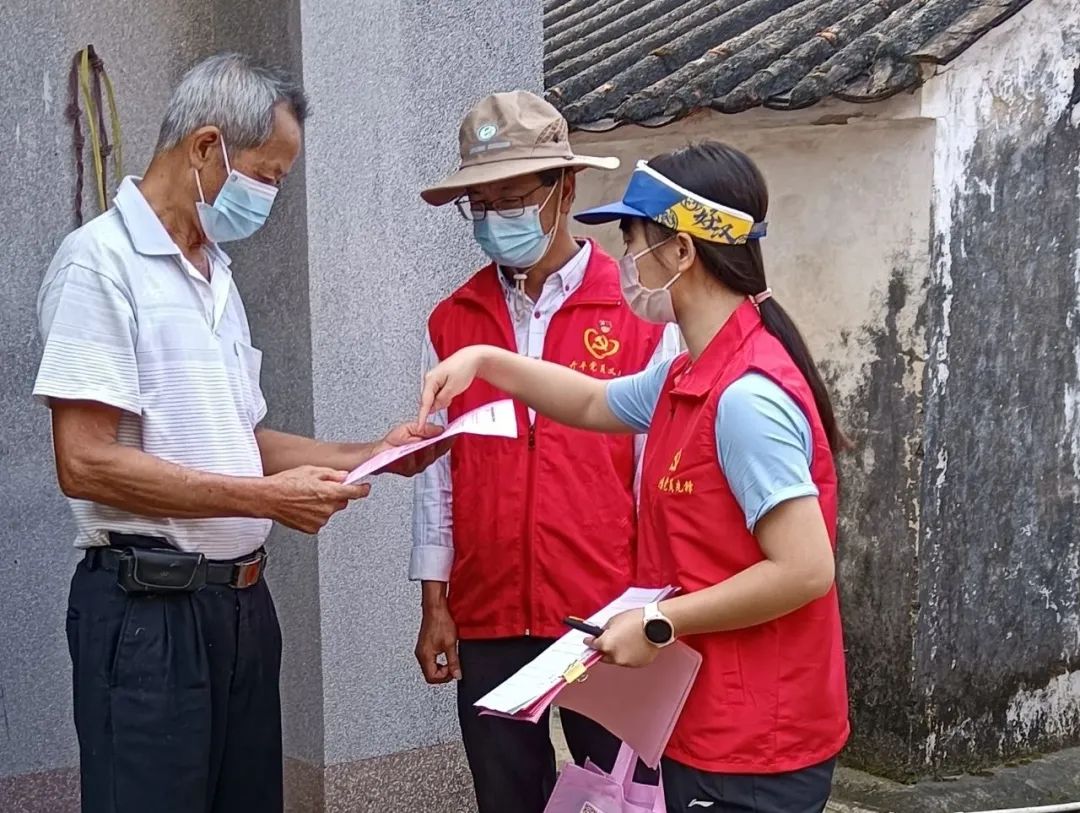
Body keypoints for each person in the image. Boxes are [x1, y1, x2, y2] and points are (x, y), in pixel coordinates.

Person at [33, 53, 448, 813]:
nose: (272, 195)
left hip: (241, 610)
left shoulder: (216, 272)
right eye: (268, 174)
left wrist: (375, 453)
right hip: (147, 615)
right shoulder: (100, 264)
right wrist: (263, 497)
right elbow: (84, 461)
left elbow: (241, 437)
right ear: (205, 147)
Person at [417, 142, 850, 813]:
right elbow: (592, 401)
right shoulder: (686, 375)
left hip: (755, 738)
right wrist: (485, 359)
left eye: (633, 239)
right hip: (707, 719)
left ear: (682, 251)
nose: (626, 260)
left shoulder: (744, 398)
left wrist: (655, 620)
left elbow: (803, 569)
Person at [411, 90, 681, 812]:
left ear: (565, 190)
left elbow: (660, 474)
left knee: (620, 796)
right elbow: (438, 470)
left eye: (513, 197)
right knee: (506, 796)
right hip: (490, 609)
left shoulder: (637, 313)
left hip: (606, 612)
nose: (496, 217)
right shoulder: (454, 319)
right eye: (481, 203)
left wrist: (659, 610)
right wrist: (436, 600)